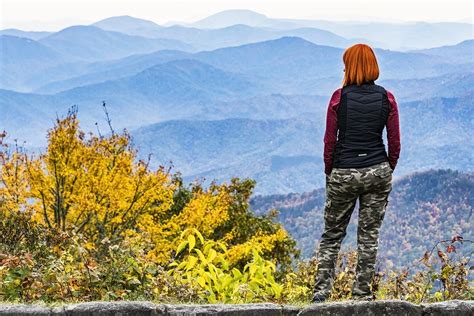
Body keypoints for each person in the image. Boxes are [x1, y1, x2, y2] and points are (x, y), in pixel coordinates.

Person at [311, 43, 401, 303]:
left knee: (331, 235)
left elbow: (330, 141)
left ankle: (320, 295)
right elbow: (394, 143)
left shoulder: (339, 98)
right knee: (369, 237)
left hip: (344, 172)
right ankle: (361, 296)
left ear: (349, 67)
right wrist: (386, 168)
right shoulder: (388, 98)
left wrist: (331, 172)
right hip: (377, 171)